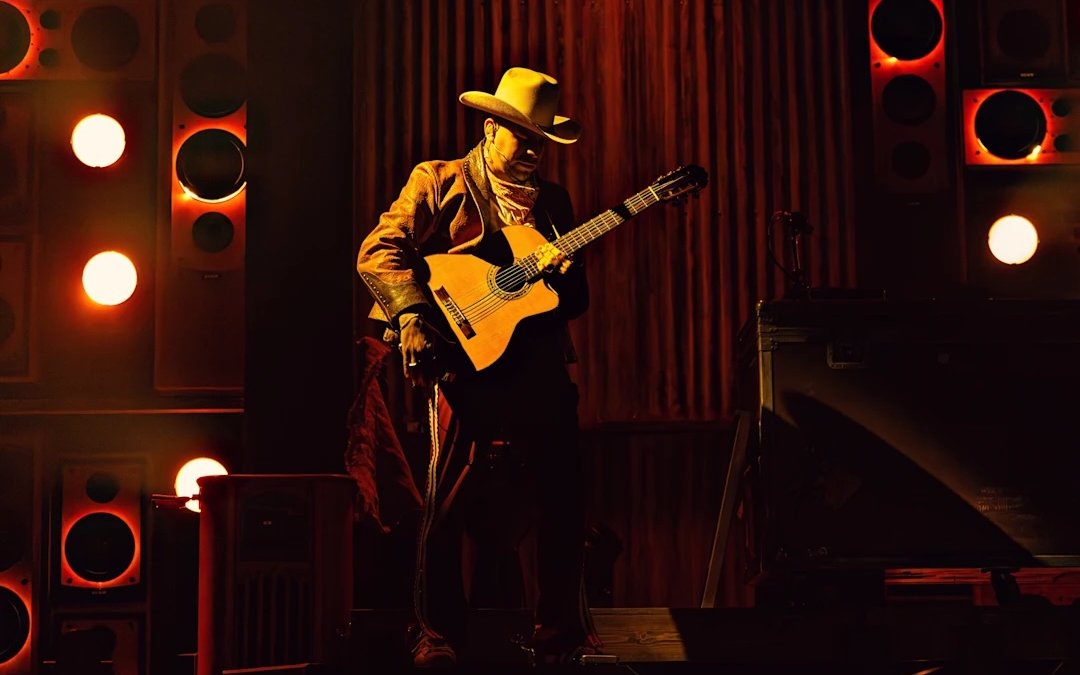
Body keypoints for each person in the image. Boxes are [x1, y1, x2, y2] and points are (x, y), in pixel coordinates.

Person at [355, 67, 600, 668]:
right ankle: (435, 632)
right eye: (523, 136)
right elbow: (380, 250)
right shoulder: (439, 181)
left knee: (563, 494)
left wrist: (562, 281)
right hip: (462, 362)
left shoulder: (555, 203)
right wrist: (411, 315)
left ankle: (559, 634)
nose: (534, 151)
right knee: (445, 498)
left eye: (541, 140)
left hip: (535, 362)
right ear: (490, 130)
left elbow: (574, 301)